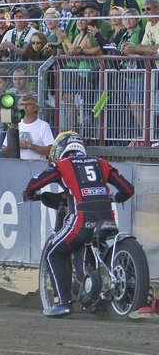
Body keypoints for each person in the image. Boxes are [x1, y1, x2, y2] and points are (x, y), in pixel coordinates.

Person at [23, 132, 143, 318]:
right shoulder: (101, 163)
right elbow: (128, 189)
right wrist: (115, 198)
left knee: (54, 252)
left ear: (61, 150)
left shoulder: (61, 165)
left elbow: (34, 183)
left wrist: (29, 193)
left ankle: (62, 302)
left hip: (81, 218)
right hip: (107, 218)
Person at [4, 95, 53, 160]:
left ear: (35, 107)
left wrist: (29, 146)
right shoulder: (15, 124)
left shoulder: (43, 125)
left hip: (37, 166)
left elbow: (50, 150)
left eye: (28, 104)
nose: (24, 107)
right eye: (22, 104)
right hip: (17, 165)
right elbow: (4, 149)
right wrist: (14, 145)